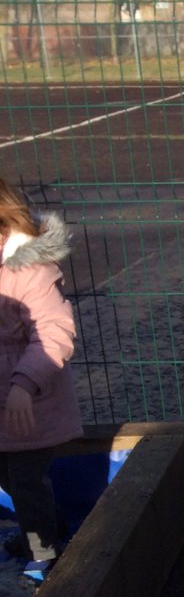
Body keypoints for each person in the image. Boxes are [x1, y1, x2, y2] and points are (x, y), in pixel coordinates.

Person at [0, 180, 81, 576]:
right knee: (9, 477)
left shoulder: (30, 270)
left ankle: (43, 554)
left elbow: (53, 332)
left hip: (33, 403)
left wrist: (23, 385)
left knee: (26, 478)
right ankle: (48, 526)